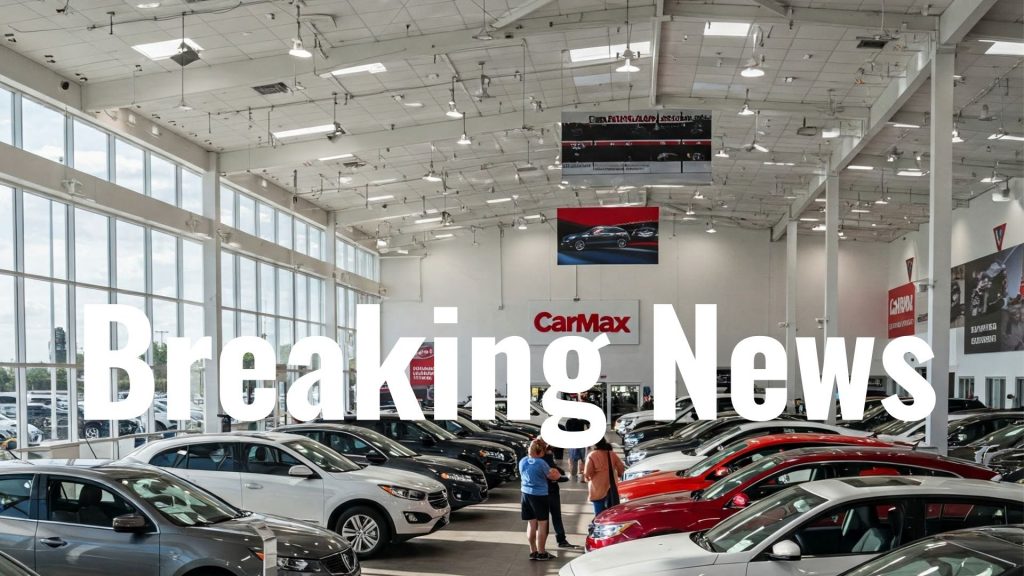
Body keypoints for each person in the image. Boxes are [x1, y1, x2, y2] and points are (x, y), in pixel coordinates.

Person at [519, 440, 560, 561]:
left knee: (531, 523)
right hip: (539, 496)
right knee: (542, 523)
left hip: (525, 494)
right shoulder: (541, 463)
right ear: (541, 452)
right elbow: (552, 476)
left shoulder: (523, 461)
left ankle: (533, 551)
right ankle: (541, 553)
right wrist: (557, 473)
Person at [535, 438, 574, 548]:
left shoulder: (532, 459)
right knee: (554, 516)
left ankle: (540, 545)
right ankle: (560, 540)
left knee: (543, 519)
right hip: (550, 490)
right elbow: (553, 474)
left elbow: (553, 468)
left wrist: (560, 471)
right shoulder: (545, 458)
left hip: (539, 492)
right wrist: (566, 477)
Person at [584, 438, 625, 515]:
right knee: (611, 510)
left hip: (597, 487)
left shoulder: (592, 455)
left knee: (599, 512)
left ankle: (599, 521)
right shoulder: (611, 454)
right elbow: (621, 467)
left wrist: (587, 478)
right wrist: (619, 474)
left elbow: (587, 473)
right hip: (610, 486)